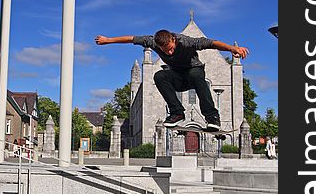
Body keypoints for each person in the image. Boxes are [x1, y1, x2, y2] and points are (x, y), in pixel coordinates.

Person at [95, 30, 249, 130]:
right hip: (178, 78)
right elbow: (131, 38)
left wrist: (231, 49)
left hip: (193, 74)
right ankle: (177, 113)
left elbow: (211, 43)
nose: (169, 52)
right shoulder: (152, 41)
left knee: (195, 74)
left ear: (174, 40)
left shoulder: (186, 41)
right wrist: (108, 40)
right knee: (159, 75)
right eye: (165, 50)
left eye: (171, 48)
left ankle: (212, 117)